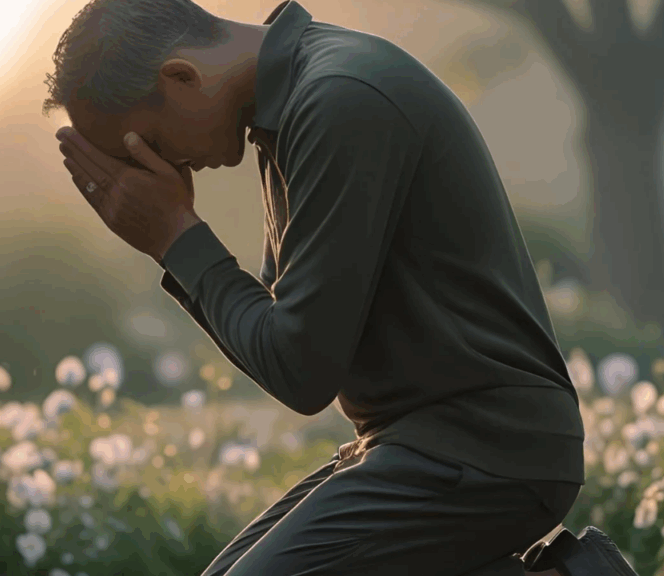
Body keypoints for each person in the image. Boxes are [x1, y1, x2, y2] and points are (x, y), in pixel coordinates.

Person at [43, 1, 586, 574]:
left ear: (181, 77)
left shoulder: (339, 100)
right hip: (415, 445)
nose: (166, 164)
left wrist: (176, 237)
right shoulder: (286, 107)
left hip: (487, 449)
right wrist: (176, 242)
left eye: (150, 142)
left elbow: (301, 371)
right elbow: (282, 335)